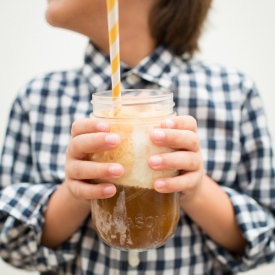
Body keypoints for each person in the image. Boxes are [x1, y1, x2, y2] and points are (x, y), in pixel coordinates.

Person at [1, 0, 275, 274]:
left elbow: (267, 238)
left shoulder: (233, 94)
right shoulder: (37, 98)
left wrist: (197, 190)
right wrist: (74, 195)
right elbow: (8, 243)